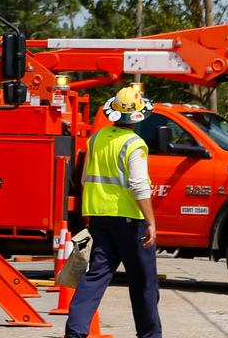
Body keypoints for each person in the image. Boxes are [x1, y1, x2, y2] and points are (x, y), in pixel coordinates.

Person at [65, 85, 162, 338]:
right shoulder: (134, 144)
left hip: (100, 219)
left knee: (96, 276)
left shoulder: (96, 138)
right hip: (131, 222)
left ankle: (75, 332)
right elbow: (139, 186)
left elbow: (85, 179)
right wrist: (150, 222)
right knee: (144, 284)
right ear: (138, 116)